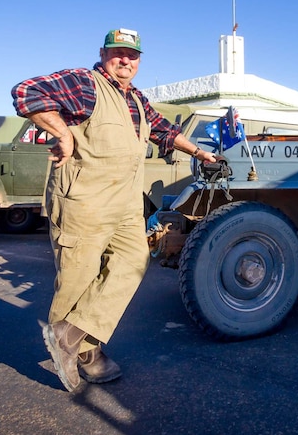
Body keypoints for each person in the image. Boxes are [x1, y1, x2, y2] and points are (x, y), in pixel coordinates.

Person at [11, 27, 216, 392]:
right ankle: (83, 354)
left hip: (124, 203)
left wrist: (200, 153)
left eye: (132, 55)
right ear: (104, 53)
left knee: (134, 261)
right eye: (118, 52)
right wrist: (63, 133)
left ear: (139, 60)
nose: (125, 60)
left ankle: (70, 336)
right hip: (84, 200)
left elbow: (165, 131)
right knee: (78, 278)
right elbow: (27, 92)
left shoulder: (135, 98)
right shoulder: (86, 84)